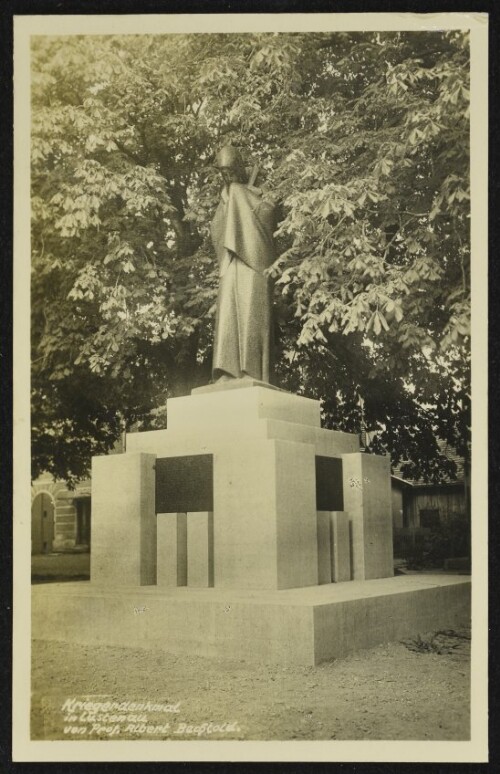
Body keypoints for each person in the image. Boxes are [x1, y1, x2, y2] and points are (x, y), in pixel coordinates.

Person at [210, 145, 276, 383]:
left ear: (238, 167)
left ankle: (251, 371)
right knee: (227, 313)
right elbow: (217, 229)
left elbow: (269, 216)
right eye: (223, 173)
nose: (227, 177)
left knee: (250, 314)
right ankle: (227, 371)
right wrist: (230, 201)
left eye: (229, 171)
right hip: (231, 261)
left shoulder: (257, 190)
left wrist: (244, 196)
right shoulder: (227, 196)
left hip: (253, 262)